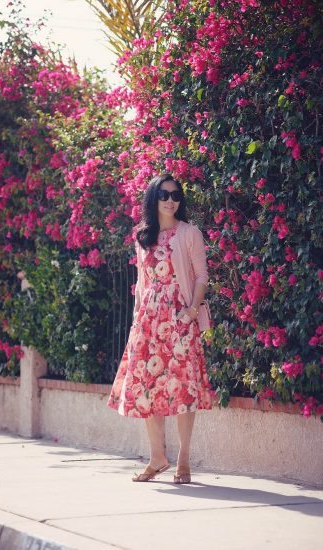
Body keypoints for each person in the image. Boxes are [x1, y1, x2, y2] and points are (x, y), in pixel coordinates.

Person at [107, 173, 213, 483]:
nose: (171, 200)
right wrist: (138, 319)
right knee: (147, 387)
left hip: (180, 317)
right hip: (148, 321)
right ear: (153, 198)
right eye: (164, 195)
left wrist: (191, 311)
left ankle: (182, 458)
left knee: (183, 387)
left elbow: (201, 276)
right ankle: (157, 458)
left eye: (176, 195)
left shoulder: (189, 233)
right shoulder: (142, 235)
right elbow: (142, 282)